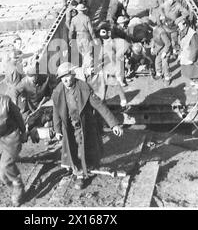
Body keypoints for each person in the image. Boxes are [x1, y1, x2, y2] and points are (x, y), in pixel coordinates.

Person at [52, 62, 123, 190]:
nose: (66, 80)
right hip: (69, 127)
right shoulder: (58, 91)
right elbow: (56, 111)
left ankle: (83, 172)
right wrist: (57, 130)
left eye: (67, 76)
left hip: (85, 126)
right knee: (73, 149)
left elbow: (100, 106)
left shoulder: (84, 89)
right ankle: (79, 172)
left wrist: (114, 124)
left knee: (85, 149)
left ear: (73, 74)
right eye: (63, 78)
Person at [88, 21, 129, 107]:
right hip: (103, 67)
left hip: (111, 66)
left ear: (109, 33)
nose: (101, 34)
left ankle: (123, 99)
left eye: (103, 32)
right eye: (100, 32)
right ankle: (102, 100)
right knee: (103, 85)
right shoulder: (100, 43)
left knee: (115, 83)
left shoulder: (112, 42)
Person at [16, 62, 52, 135]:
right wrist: (16, 102)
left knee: (47, 120)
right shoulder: (23, 82)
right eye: (30, 78)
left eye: (34, 77)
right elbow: (15, 91)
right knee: (26, 122)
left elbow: (49, 94)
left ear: (37, 75)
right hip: (30, 107)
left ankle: (47, 137)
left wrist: (42, 104)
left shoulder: (46, 79)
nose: (32, 80)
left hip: (43, 105)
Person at [68, 4, 98, 74]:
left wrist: (70, 40)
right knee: (88, 54)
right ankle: (88, 71)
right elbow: (91, 30)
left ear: (77, 10)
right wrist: (94, 39)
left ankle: (84, 70)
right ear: (84, 10)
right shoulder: (87, 18)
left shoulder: (74, 19)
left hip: (78, 38)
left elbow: (71, 31)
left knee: (82, 54)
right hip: (86, 37)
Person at [175, 16, 198, 95]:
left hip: (191, 57)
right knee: (188, 72)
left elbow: (195, 47)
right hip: (185, 55)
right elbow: (181, 44)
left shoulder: (192, 34)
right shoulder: (182, 31)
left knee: (194, 73)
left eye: (180, 25)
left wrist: (191, 59)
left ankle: (197, 87)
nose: (179, 27)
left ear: (185, 24)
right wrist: (180, 54)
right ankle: (192, 85)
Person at [151, 19, 172, 86]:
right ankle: (159, 74)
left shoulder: (162, 32)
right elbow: (154, 39)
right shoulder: (154, 30)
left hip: (165, 48)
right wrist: (152, 47)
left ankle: (167, 78)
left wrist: (165, 52)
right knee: (157, 61)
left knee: (165, 64)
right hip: (159, 48)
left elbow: (168, 43)